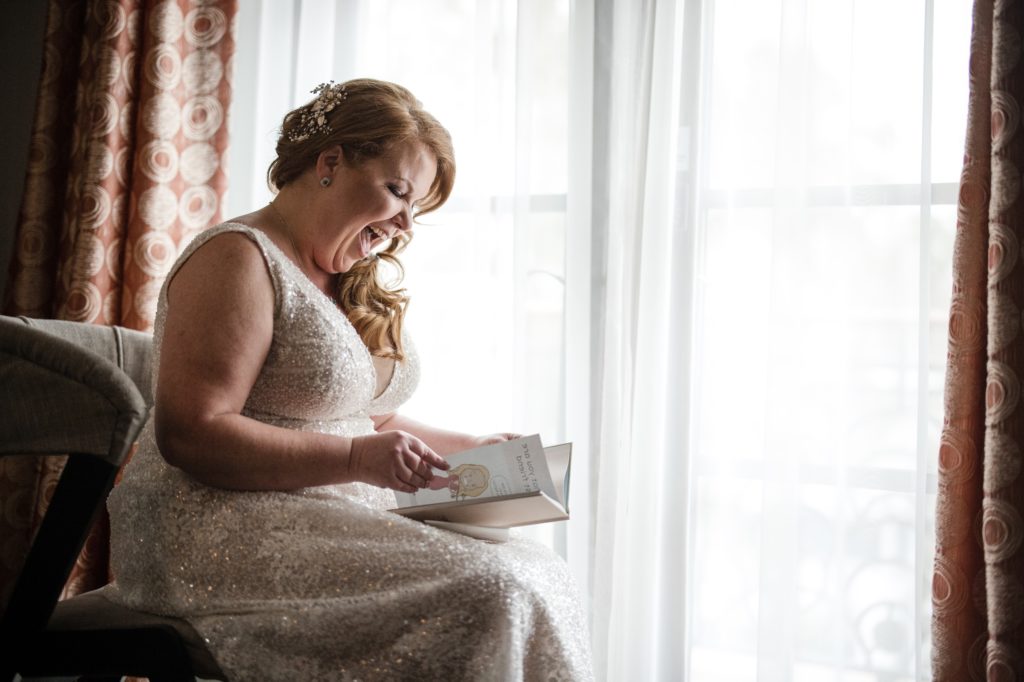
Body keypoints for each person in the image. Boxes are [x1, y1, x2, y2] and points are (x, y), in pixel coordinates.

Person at [102, 78, 593, 681]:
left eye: (418, 209)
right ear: (330, 161)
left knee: (536, 569)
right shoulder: (237, 257)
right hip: (213, 525)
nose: (406, 224)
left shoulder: (344, 276)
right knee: (494, 590)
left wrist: (469, 449)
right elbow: (193, 433)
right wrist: (359, 458)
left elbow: (363, 414)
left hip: (324, 511)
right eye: (397, 191)